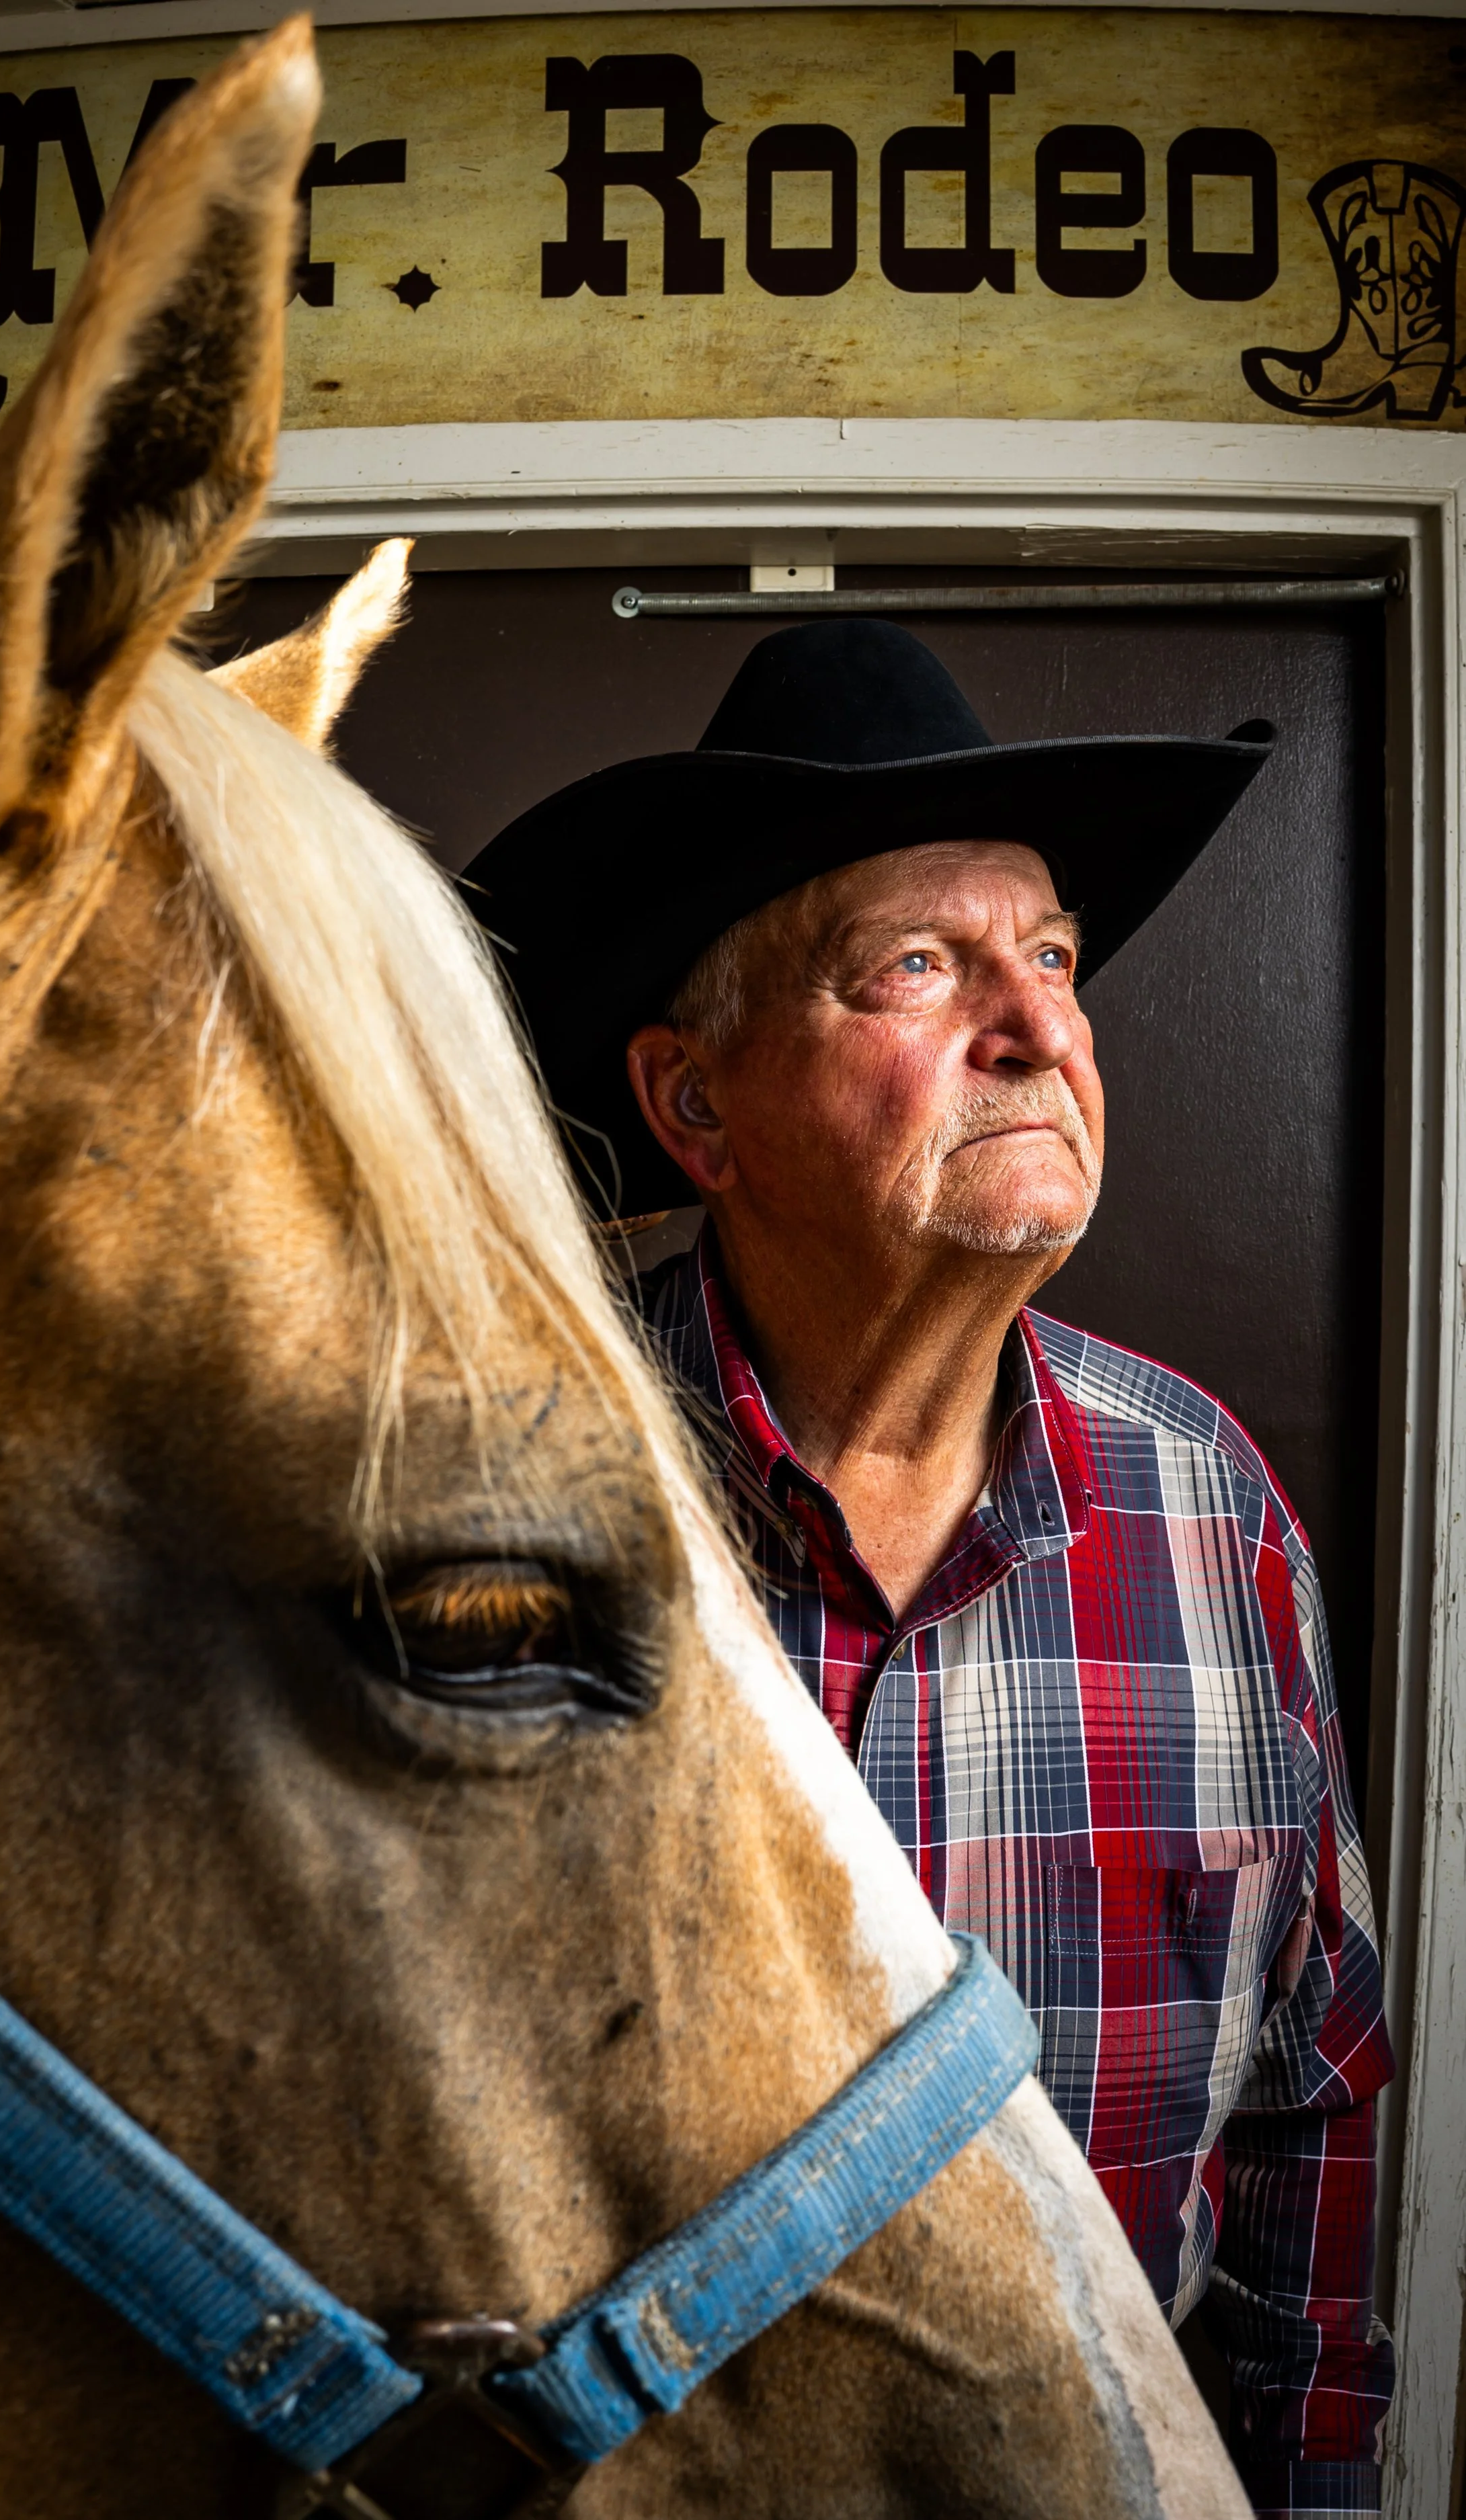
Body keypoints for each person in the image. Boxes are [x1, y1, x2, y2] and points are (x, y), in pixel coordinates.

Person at [468, 621, 1395, 2519]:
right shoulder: (500, 1501)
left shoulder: (1206, 1510)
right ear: (694, 1106)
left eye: (1048, 958)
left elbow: (1314, 2105)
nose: (1040, 1025)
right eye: (917, 965)